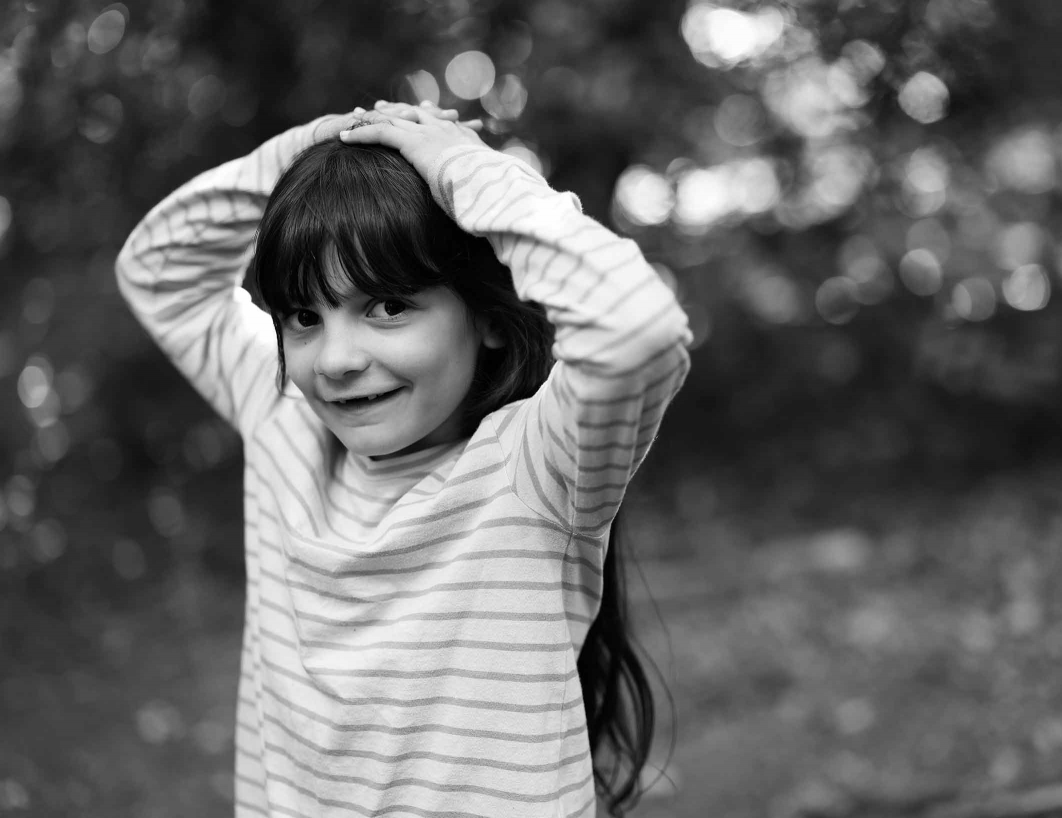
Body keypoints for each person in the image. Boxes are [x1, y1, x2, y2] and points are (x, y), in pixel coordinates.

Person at [114, 99, 692, 818]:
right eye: (304, 317)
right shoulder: (281, 425)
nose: (337, 360)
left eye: (387, 306)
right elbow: (157, 266)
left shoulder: (536, 469)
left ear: (484, 316)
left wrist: (465, 171)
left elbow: (639, 328)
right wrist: (320, 146)